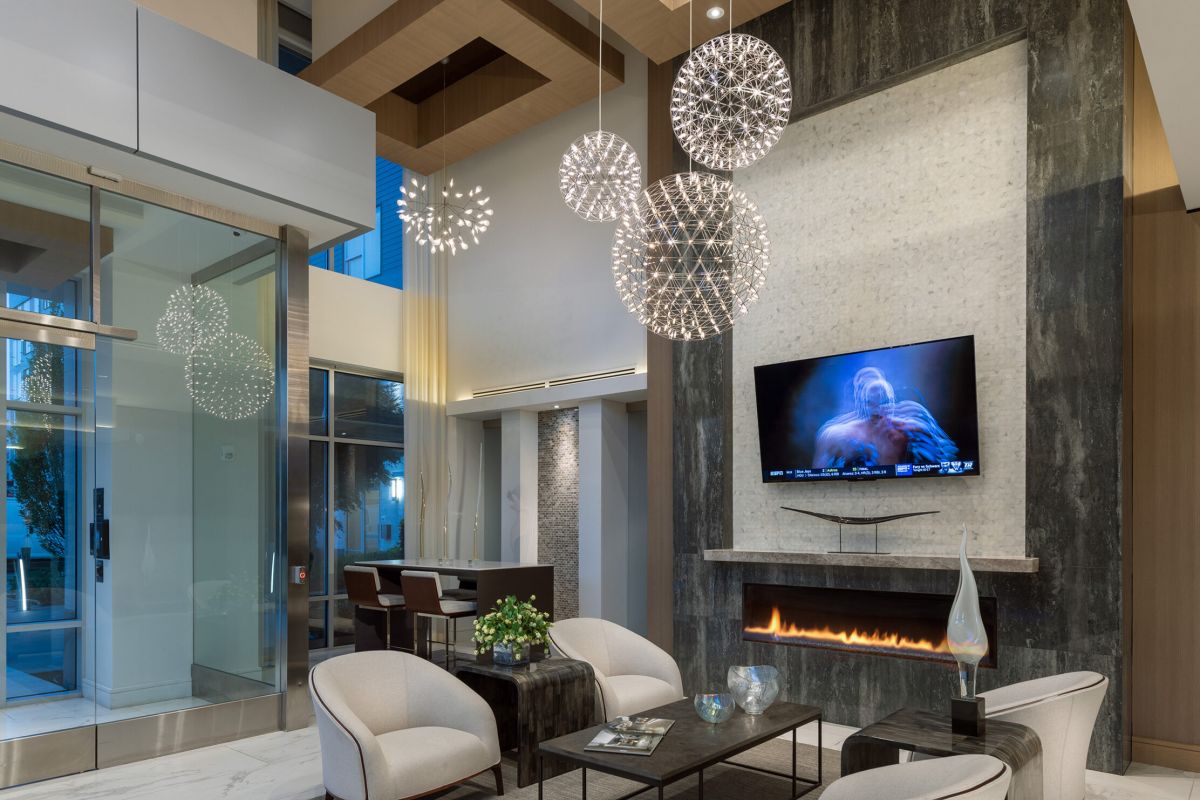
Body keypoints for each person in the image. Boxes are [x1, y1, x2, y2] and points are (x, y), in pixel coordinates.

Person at [811, 367, 957, 469]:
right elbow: (816, 478)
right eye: (871, 403)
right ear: (860, 400)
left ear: (892, 399)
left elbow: (948, 463)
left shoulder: (914, 425)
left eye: (883, 402)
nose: (878, 410)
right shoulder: (836, 434)